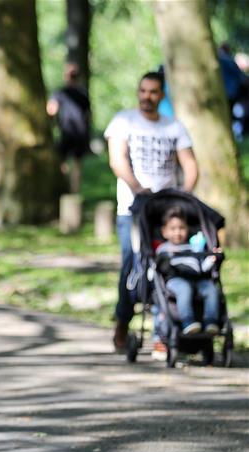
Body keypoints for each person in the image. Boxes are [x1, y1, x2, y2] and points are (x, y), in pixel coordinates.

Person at [104, 72, 198, 355]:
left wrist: (184, 195)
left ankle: (163, 329)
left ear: (161, 95)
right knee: (132, 266)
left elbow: (189, 164)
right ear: (138, 92)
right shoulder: (123, 121)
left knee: (166, 266)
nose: (147, 96)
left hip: (165, 212)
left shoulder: (173, 127)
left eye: (153, 92)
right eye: (143, 91)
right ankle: (123, 320)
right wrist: (137, 187)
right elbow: (117, 159)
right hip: (132, 210)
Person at [155, 206, 220, 336]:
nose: (178, 232)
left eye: (182, 228)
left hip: (197, 278)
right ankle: (187, 321)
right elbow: (157, 267)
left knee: (211, 288)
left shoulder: (194, 248)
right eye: (173, 229)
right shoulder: (163, 249)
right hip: (175, 279)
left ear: (187, 229)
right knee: (184, 288)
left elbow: (202, 267)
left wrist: (212, 258)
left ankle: (211, 321)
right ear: (164, 232)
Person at [46, 63, 91, 193]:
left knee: (62, 161)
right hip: (80, 132)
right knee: (77, 164)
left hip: (66, 132)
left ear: (66, 76)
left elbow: (51, 110)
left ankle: (64, 190)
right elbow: (88, 115)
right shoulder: (83, 93)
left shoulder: (60, 93)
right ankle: (74, 191)